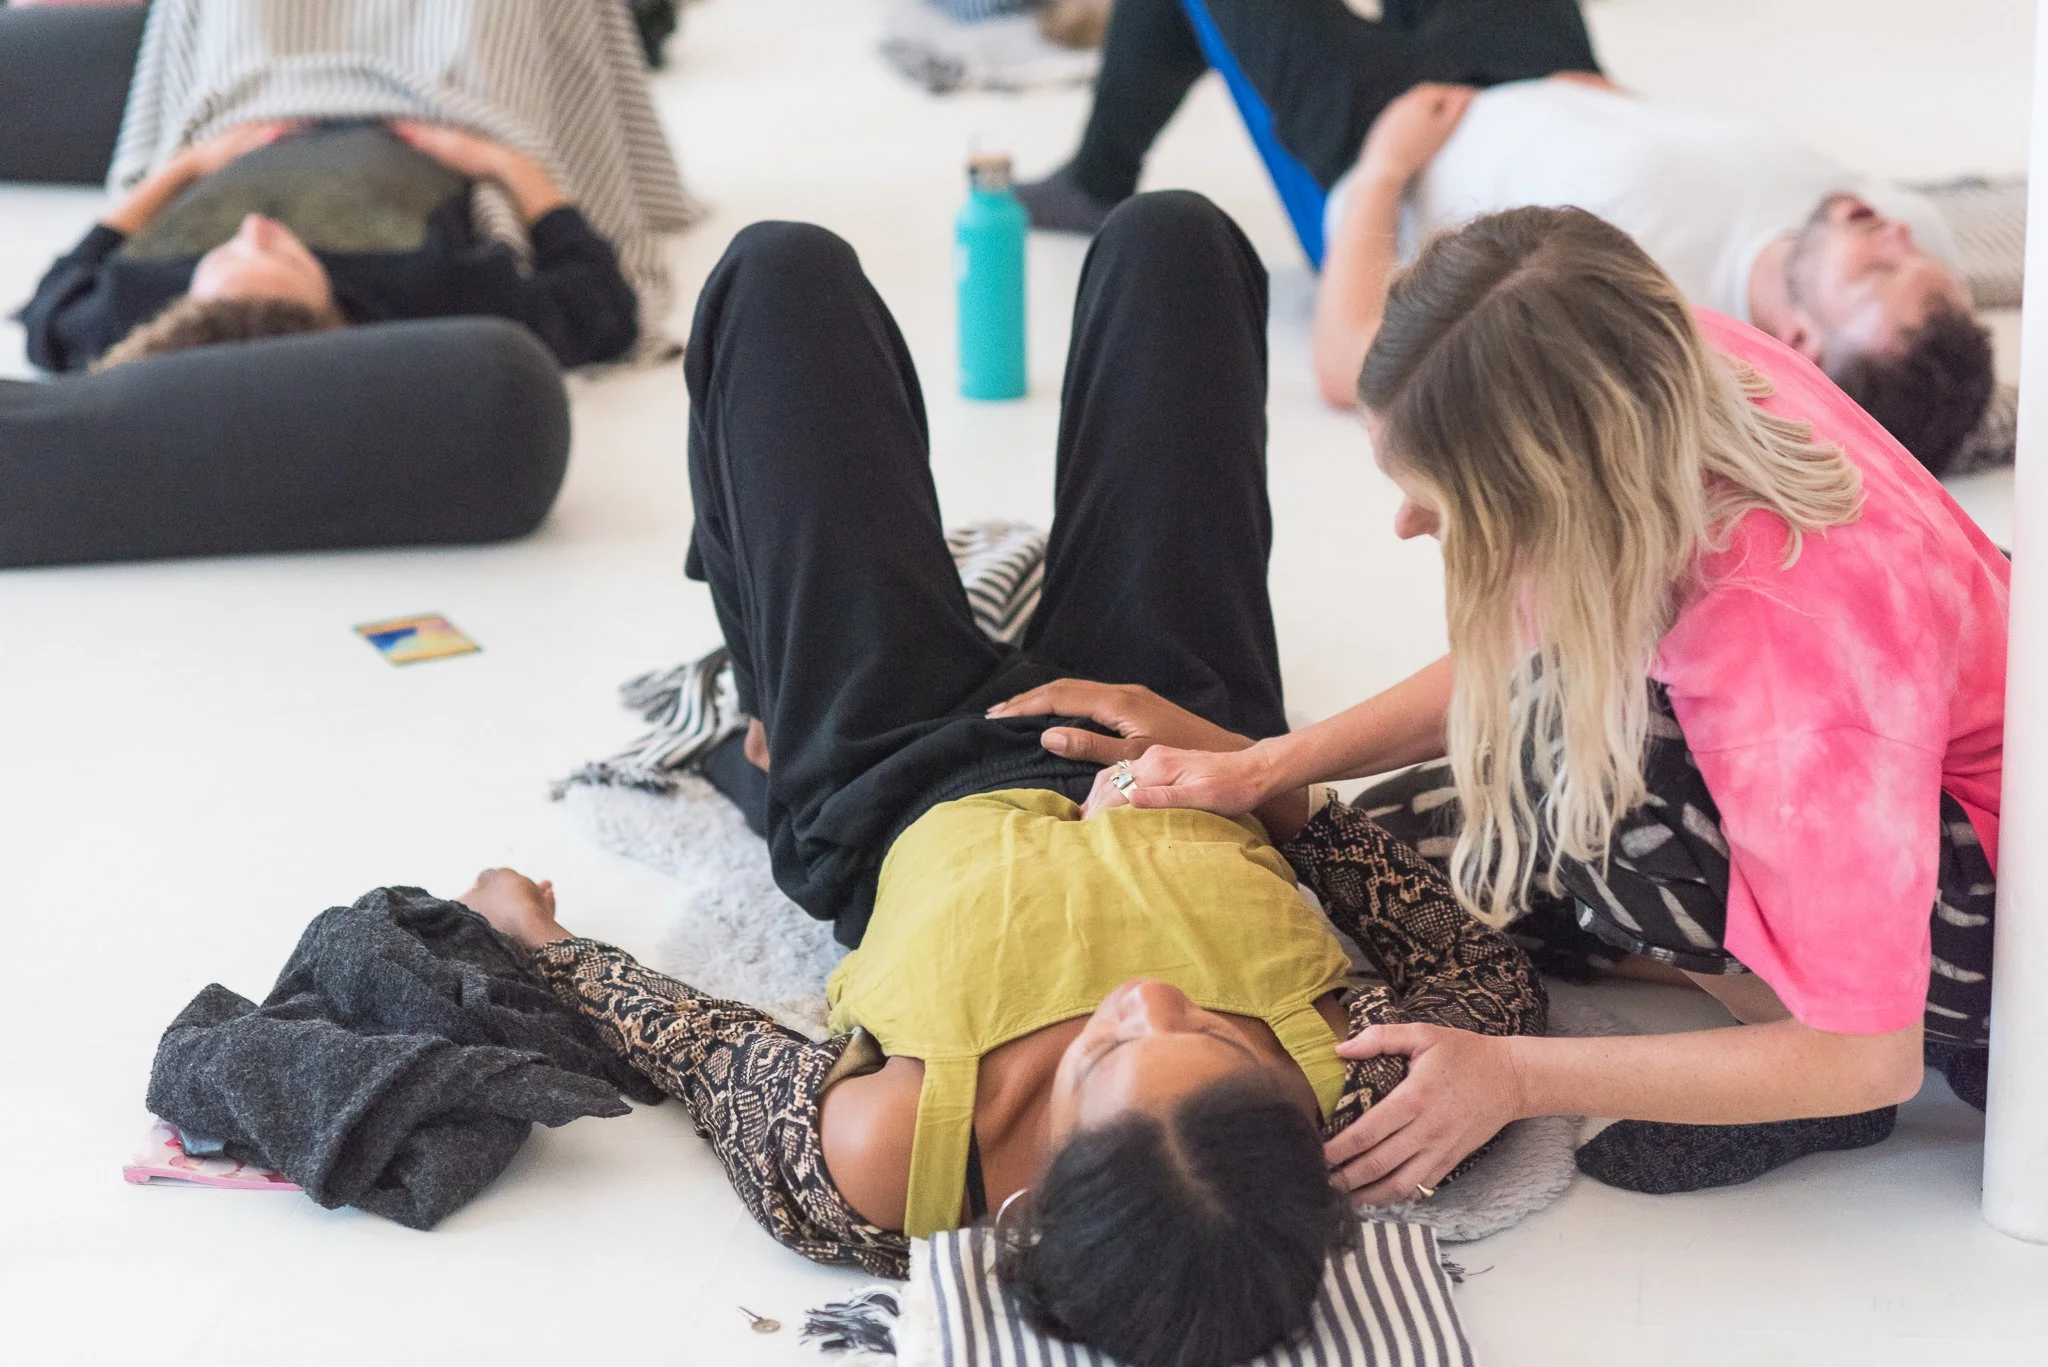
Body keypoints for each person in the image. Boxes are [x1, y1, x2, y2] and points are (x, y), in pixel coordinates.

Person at [454, 194, 1546, 1367]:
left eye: (1109, 1053)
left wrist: (537, 942)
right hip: (1177, 723)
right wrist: (1257, 776)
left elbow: (699, 1044)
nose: (1150, 998)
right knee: (1174, 242)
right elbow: (1485, 978)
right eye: (1218, 1040)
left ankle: (769, 692)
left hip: (892, 767)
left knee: (778, 273)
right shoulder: (1358, 1109)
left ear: (1035, 1201)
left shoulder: (886, 1159)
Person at [1028, 203, 2006, 1201]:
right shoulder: (1646, 361)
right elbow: (1527, 642)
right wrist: (1264, 763)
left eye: (1441, 497)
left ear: (1555, 488)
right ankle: (1720, 967)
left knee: (1572, 768)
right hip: (1891, 746)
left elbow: (1867, 1054)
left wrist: (1514, 1078)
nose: (1408, 521)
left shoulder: (1787, 672)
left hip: (1996, 906)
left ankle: (1798, 1063)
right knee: (1409, 857)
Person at [1017, 0, 1995, 475]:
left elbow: (1356, 367)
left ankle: (1093, 179)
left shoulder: (1651, 329)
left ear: (1803, 345)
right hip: (1547, 71)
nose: (1894, 232)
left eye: (1879, 269)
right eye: (1919, 263)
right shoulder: (1912, 254)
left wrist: (1383, 170)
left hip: (1388, 136)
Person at [19, 118, 639, 371]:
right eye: (281, 255)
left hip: (234, 127)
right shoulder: (440, 298)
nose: (255, 228)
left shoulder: (126, 307)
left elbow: (52, 297)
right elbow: (599, 300)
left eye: (229, 254)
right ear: (332, 309)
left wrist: (183, 167)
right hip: (437, 121)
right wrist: (509, 166)